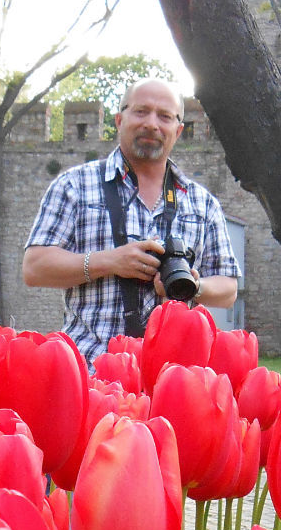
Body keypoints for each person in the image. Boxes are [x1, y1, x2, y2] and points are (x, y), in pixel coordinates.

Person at [22, 78, 240, 365]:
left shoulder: (203, 203)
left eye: (164, 116)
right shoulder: (74, 186)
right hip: (91, 376)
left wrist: (193, 286)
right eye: (141, 111)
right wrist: (110, 262)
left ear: (179, 130)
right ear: (119, 119)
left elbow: (228, 289)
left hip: (171, 382)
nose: (151, 123)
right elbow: (34, 267)